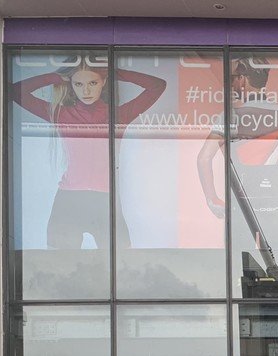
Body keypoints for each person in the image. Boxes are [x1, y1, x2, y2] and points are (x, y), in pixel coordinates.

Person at [11, 56, 166, 248]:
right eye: (78, 84)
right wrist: (56, 77)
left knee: (123, 269)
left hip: (104, 199)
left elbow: (158, 85)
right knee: (60, 269)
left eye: (93, 82)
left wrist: (115, 74)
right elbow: (15, 91)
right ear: (71, 85)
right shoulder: (61, 114)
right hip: (69, 199)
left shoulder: (119, 114)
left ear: (103, 82)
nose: (85, 90)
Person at [196, 58, 278, 280]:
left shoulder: (229, 116)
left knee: (241, 278)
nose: (233, 84)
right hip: (277, 206)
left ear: (243, 80)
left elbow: (203, 158)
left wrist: (212, 199)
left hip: (241, 208)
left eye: (234, 78)